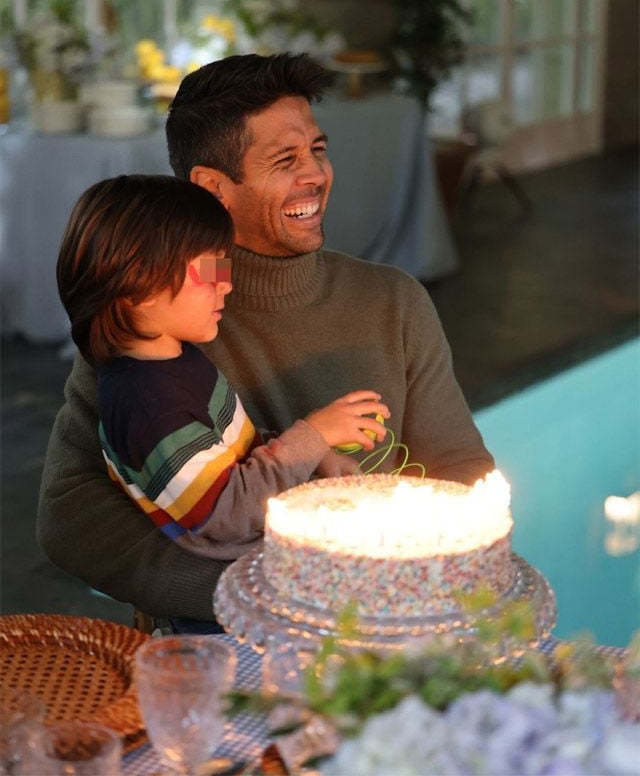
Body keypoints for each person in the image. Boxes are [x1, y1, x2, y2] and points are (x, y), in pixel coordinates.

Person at [38, 52, 494, 625]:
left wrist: (391, 584)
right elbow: (68, 512)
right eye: (286, 160)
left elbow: (460, 469)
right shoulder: (148, 322)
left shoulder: (394, 301)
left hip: (375, 624)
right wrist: (254, 596)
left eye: (318, 151)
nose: (317, 176)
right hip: (217, 650)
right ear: (212, 187)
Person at [56, 173, 388, 570]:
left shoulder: (175, 362)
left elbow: (232, 455)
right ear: (139, 289)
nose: (226, 285)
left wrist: (316, 457)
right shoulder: (147, 405)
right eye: (210, 270)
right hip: (239, 591)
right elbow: (224, 515)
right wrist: (314, 436)